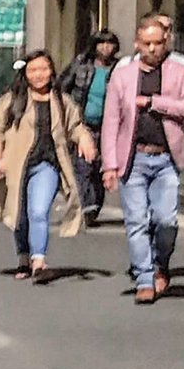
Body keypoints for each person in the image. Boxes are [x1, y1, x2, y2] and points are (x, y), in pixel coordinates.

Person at [102, 12, 184, 304]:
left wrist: (154, 103)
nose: (152, 49)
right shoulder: (122, 75)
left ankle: (161, 263)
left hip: (166, 160)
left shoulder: (181, 71)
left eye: (158, 43)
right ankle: (144, 279)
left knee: (166, 220)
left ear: (166, 41)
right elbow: (112, 122)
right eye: (146, 43)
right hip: (133, 159)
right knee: (136, 221)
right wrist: (109, 165)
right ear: (136, 43)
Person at [0, 47, 95, 280]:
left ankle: (39, 260)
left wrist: (85, 140)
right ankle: (23, 256)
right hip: (17, 166)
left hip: (49, 164)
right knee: (19, 213)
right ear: (25, 74)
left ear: (52, 70)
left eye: (44, 69)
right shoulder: (12, 99)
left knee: (38, 211)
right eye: (33, 70)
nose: (39, 74)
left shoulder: (62, 101)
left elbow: (75, 126)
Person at [64, 28, 119, 223]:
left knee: (99, 168)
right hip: (83, 125)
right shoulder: (81, 66)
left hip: (108, 128)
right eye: (101, 43)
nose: (106, 47)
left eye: (110, 43)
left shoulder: (119, 69)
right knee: (83, 166)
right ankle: (85, 206)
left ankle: (94, 205)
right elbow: (63, 88)